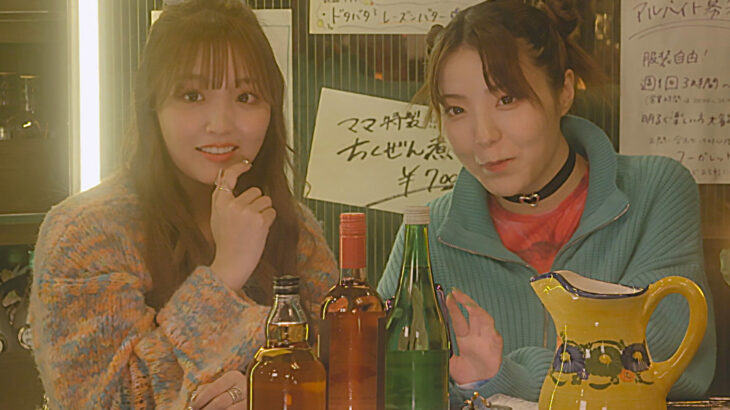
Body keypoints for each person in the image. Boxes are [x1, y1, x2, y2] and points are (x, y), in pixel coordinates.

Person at [377, 0, 716, 406]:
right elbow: (383, 377)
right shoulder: (428, 232)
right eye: (456, 109)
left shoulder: (654, 191)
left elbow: (665, 356)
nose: (483, 135)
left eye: (507, 99)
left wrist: (502, 377)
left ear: (565, 92)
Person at [28, 0, 337, 408]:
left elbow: (350, 374)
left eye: (246, 96)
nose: (221, 124)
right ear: (152, 105)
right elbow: (108, 400)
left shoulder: (291, 224)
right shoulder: (85, 232)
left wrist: (270, 395)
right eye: (192, 95)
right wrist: (224, 274)